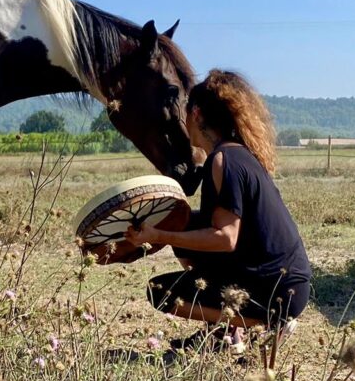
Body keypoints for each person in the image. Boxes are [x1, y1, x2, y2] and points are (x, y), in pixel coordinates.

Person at [124, 70, 311, 348]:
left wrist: (158, 235)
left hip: (276, 291)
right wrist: (168, 228)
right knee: (186, 222)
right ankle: (224, 332)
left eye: (186, 114)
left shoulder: (222, 160)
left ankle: (269, 323)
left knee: (159, 292)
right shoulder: (240, 154)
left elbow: (225, 238)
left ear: (197, 114)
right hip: (287, 283)